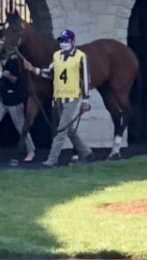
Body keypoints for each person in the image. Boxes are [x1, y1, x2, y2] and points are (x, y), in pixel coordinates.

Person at [23, 29, 94, 168]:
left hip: (72, 97)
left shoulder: (81, 57)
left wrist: (85, 101)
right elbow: (49, 73)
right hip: (59, 97)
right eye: (61, 41)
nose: (64, 43)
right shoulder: (57, 56)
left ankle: (52, 159)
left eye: (66, 41)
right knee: (69, 129)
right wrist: (33, 69)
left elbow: (86, 80)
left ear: (73, 41)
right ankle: (86, 152)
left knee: (61, 130)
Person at [0, 40, 35, 162]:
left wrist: (9, 76)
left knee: (20, 126)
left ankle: (31, 151)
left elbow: (18, 80)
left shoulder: (15, 61)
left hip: (13, 98)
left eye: (1, 47)